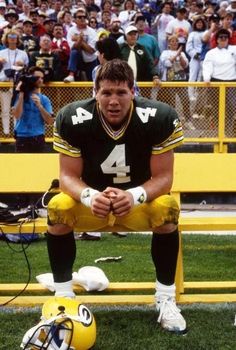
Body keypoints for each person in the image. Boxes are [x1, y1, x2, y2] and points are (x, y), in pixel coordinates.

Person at [46, 59, 186, 334]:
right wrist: (88, 195)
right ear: (94, 92)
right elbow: (67, 177)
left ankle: (166, 299)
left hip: (137, 204)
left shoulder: (157, 117)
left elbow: (164, 177)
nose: (113, 100)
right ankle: (63, 297)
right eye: (106, 92)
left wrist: (134, 195)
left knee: (168, 209)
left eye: (121, 92)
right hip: (92, 206)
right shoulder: (73, 118)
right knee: (58, 207)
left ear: (133, 91)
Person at [12, 66, 54, 152]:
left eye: (42, 78)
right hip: (21, 137)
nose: (40, 80)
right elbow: (17, 116)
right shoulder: (19, 95)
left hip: (38, 137)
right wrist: (21, 96)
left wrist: (40, 106)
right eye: (37, 77)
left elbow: (50, 121)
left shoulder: (44, 99)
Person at [0, 29, 29, 136]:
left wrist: (23, 65)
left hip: (17, 84)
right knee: (5, 109)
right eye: (10, 36)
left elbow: (27, 70)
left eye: (14, 36)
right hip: (4, 82)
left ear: (17, 39)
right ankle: (6, 131)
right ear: (6, 39)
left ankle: (17, 130)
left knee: (17, 108)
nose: (12, 38)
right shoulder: (1, 53)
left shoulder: (23, 53)